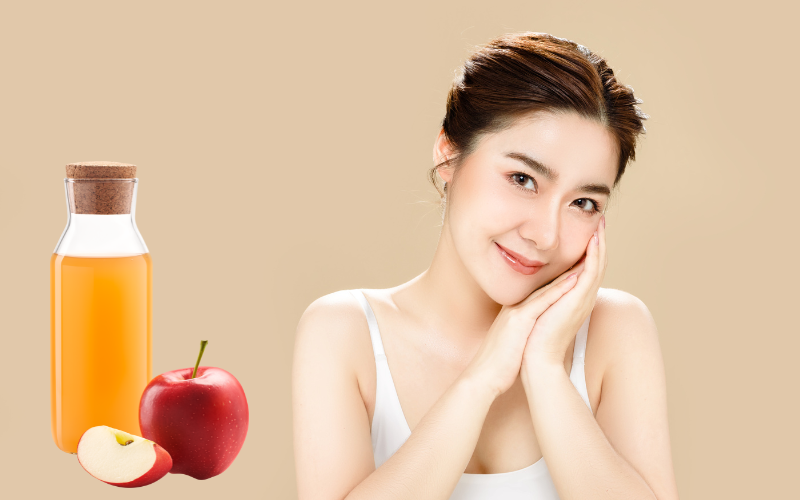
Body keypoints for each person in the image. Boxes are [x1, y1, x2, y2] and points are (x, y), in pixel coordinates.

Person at [292, 32, 679, 500]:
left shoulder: (615, 330)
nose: (546, 235)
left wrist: (546, 370)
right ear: (449, 153)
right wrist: (482, 379)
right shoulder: (345, 332)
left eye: (583, 202)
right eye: (523, 179)